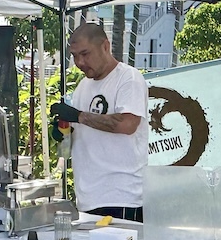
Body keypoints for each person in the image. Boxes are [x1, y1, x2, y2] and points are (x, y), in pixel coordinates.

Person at [50, 22, 149, 222]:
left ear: (105, 46)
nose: (79, 62)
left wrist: (78, 116)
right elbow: (73, 143)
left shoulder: (128, 78)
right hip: (87, 198)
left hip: (122, 196)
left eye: (85, 54)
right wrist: (63, 134)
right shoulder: (82, 87)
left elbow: (127, 125)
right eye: (75, 56)